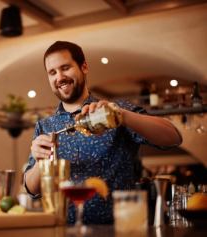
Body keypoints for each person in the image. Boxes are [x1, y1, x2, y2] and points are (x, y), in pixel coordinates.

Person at [24, 41, 182, 225]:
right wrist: (39, 164)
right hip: (64, 230)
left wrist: (121, 115)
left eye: (65, 68)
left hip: (119, 229)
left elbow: (173, 137)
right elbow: (31, 189)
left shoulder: (117, 110)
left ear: (84, 67)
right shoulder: (46, 126)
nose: (59, 77)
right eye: (52, 72)